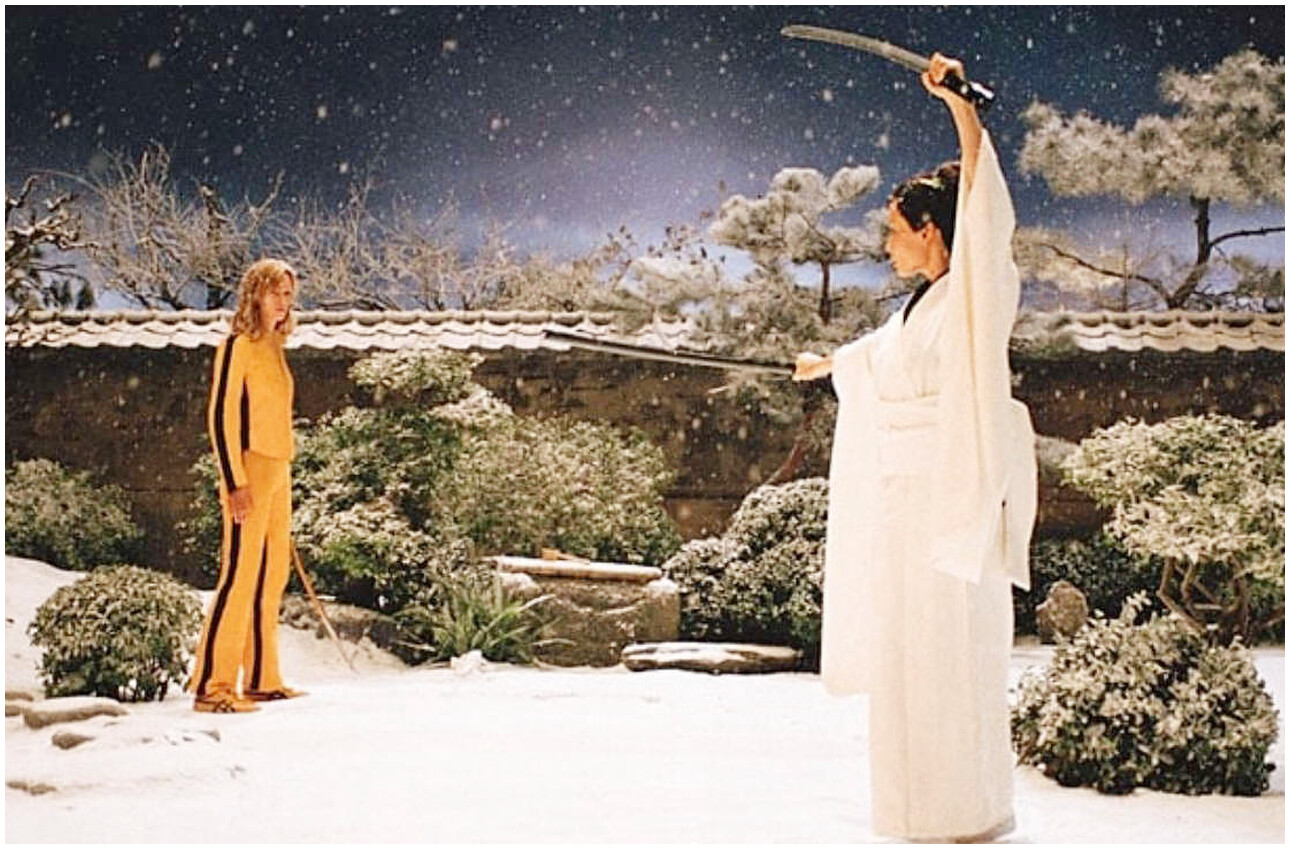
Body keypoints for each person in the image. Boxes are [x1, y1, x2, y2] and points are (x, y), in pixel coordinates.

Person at [794, 53, 1037, 841]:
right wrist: (829, 364)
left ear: (932, 230)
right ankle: (911, 809)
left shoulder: (973, 292)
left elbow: (983, 206)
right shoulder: (921, 310)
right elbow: (883, 359)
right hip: (905, 509)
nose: (889, 246)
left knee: (946, 654)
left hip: (948, 501)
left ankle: (961, 811)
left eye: (896, 232)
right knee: (905, 656)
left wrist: (961, 107)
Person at [190, 259, 306, 713]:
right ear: (255, 294)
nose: (283, 303)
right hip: (250, 471)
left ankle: (261, 677)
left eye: (288, 295)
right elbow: (221, 418)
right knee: (239, 575)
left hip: (279, 467)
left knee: (271, 574)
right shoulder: (237, 346)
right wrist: (235, 481)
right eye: (275, 293)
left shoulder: (276, 347)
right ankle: (213, 686)